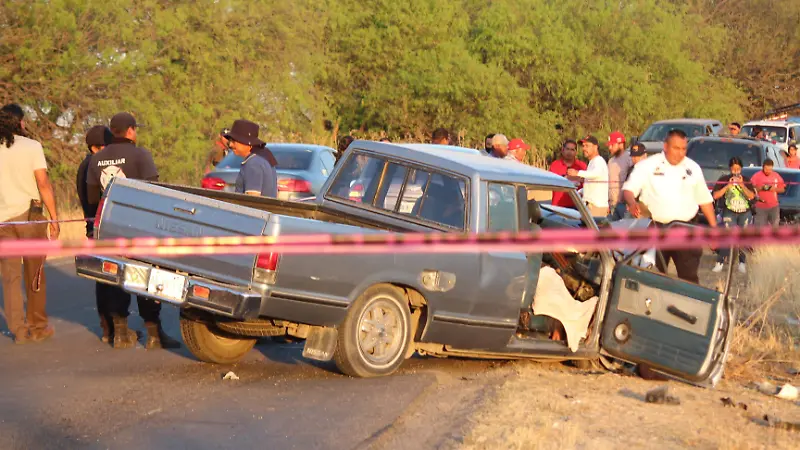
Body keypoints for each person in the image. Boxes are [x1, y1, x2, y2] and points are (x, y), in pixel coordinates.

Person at [87, 112, 181, 350]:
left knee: (114, 276)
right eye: (135, 129)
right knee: (144, 276)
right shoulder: (141, 155)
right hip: (140, 226)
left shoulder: (96, 159)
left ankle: (120, 333)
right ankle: (153, 334)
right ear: (129, 131)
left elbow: (90, 199)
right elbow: (156, 191)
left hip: (108, 227)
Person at [623, 129, 717, 284]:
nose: (680, 153)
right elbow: (628, 189)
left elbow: (704, 200)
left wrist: (713, 229)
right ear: (665, 147)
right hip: (655, 228)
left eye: (683, 149)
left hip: (686, 229)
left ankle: (688, 306)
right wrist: (632, 203)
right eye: (676, 148)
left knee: (689, 278)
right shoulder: (648, 166)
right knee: (652, 276)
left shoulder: (693, 168)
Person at [0, 107, 59, 344]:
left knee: (10, 278)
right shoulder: (31, 146)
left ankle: (19, 331)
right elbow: (43, 182)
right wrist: (54, 217)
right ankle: (38, 326)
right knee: (35, 273)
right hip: (31, 216)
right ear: (21, 123)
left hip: (3, 221)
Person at [711, 157, 756, 274]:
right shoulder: (724, 179)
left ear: (741, 168)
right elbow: (715, 195)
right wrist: (727, 186)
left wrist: (742, 185)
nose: (735, 171)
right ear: (730, 168)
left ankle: (742, 263)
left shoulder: (746, 180)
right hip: (729, 211)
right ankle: (719, 262)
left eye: (738, 168)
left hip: (745, 212)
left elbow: (752, 196)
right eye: (733, 168)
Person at [225, 119, 278, 197]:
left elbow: (252, 200)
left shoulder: (253, 163)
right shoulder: (264, 158)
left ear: (247, 142)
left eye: (234, 141)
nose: (230, 145)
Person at [77, 125, 113, 238]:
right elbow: (92, 201)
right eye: (108, 147)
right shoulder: (90, 166)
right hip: (98, 229)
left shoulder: (88, 164)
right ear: (95, 148)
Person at [568, 135, 609, 217]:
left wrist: (577, 173)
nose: (584, 149)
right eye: (583, 146)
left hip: (596, 207)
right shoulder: (592, 162)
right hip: (591, 206)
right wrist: (581, 191)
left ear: (595, 147)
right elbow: (593, 183)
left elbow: (595, 174)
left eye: (587, 146)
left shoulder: (599, 161)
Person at [549, 140, 587, 209]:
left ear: (576, 152)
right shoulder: (555, 165)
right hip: (558, 205)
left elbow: (587, 183)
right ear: (563, 150)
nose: (569, 152)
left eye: (572, 150)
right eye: (567, 149)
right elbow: (551, 182)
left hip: (577, 206)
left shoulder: (582, 166)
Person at [750, 158, 785, 227]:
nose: (768, 171)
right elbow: (751, 189)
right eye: (766, 169)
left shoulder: (776, 175)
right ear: (763, 167)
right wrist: (761, 188)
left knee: (774, 228)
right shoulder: (756, 176)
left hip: (774, 206)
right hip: (760, 206)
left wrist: (774, 189)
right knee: (759, 229)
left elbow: (782, 189)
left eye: (770, 169)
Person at [607, 131, 632, 221]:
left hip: (624, 205)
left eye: (612, 145)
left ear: (621, 144)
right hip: (612, 205)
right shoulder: (610, 161)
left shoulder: (629, 158)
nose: (610, 148)